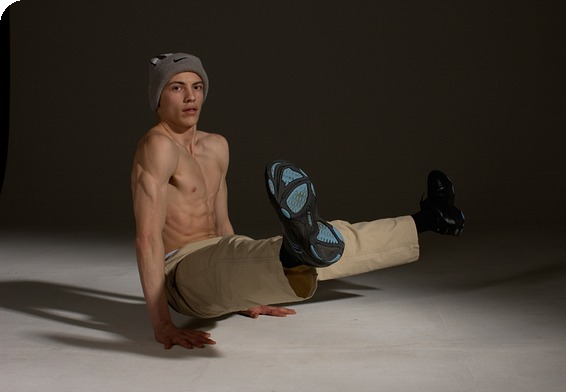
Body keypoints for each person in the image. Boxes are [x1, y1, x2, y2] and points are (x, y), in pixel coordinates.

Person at [131, 53, 465, 350]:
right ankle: (293, 249)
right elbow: (147, 238)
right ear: (158, 97)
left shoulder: (216, 146)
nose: (190, 96)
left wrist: (247, 293)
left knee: (332, 240)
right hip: (181, 272)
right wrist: (162, 325)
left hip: (225, 258)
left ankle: (428, 218)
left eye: (197, 86)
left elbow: (222, 225)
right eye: (177, 87)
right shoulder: (157, 146)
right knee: (253, 254)